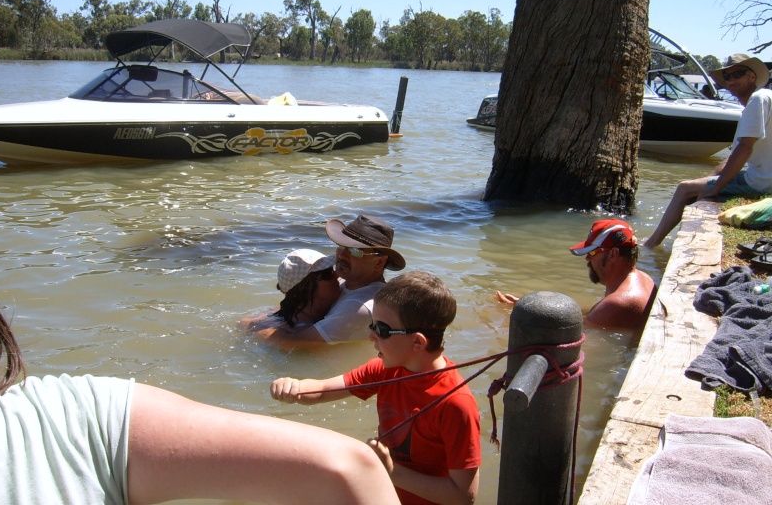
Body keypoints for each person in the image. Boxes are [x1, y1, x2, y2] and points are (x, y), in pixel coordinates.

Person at [0, 265, 399, 505]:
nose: (337, 275)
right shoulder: (68, 411)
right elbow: (349, 464)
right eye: (329, 272)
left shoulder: (68, 413)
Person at [271, 271, 481, 505]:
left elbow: (463, 496)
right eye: (372, 325)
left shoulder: (455, 403)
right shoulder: (385, 370)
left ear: (417, 342)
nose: (371, 336)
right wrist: (295, 387)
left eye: (381, 330)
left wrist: (392, 471)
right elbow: (321, 389)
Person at [645, 54, 772, 248]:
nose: (731, 80)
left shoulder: (757, 99)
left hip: (762, 182)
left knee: (684, 188)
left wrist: (716, 186)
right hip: (766, 177)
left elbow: (744, 148)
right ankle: (670, 242)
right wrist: (709, 180)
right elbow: (734, 155)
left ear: (752, 77)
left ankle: (650, 245)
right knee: (697, 188)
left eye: (738, 74)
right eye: (727, 77)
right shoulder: (766, 98)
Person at [267, 214, 407, 346]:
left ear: (379, 262)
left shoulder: (358, 307)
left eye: (355, 251)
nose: (342, 255)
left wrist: (253, 326)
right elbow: (296, 302)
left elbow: (292, 343)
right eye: (341, 246)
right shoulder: (344, 283)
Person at [497, 219, 657, 329]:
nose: (588, 258)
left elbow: (576, 334)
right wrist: (532, 307)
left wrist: (525, 315)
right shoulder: (643, 279)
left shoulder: (618, 302)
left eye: (592, 253)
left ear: (613, 254)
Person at [241, 249, 341, 343]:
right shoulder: (299, 332)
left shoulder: (282, 311)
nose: (337, 275)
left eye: (332, 269)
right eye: (327, 274)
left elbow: (245, 322)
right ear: (305, 288)